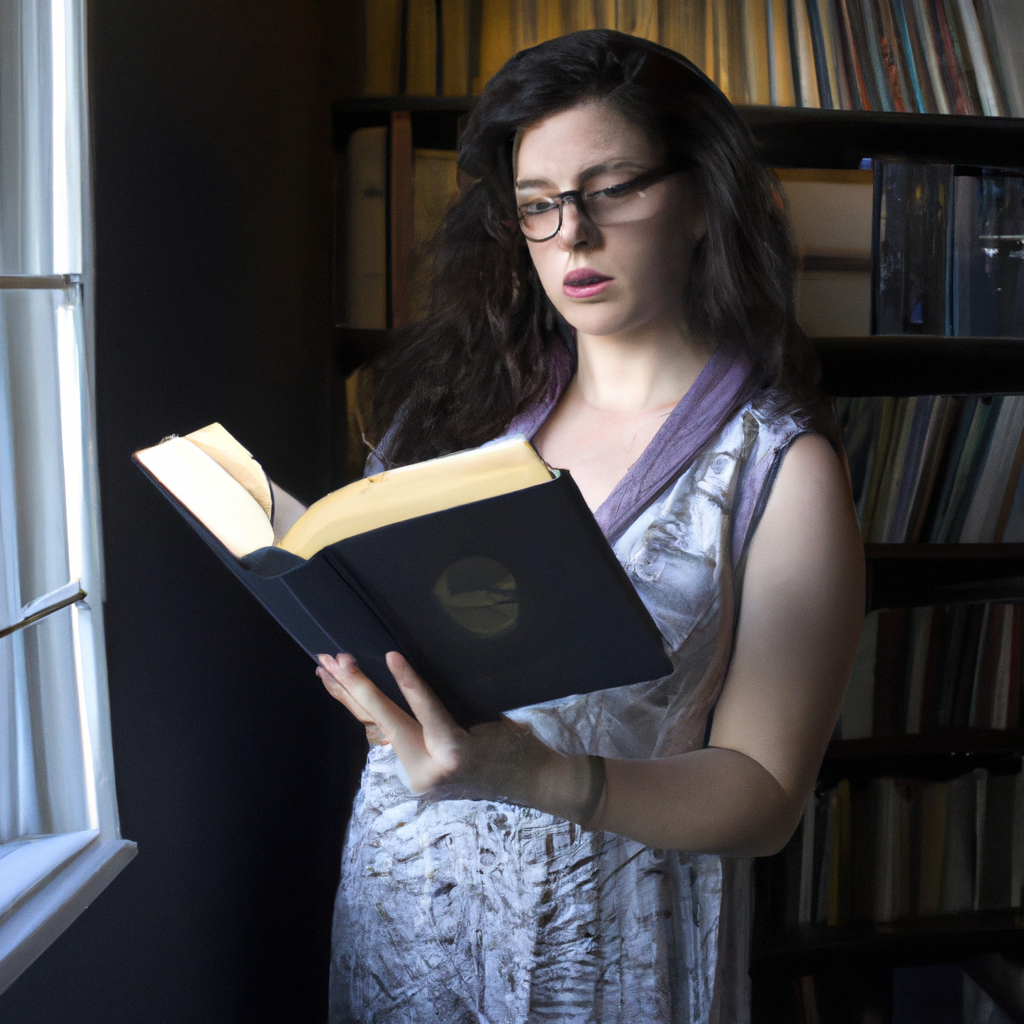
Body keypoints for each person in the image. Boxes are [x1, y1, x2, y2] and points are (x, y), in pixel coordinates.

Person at [315, 29, 864, 1024]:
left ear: (700, 199)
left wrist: (543, 774)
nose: (572, 234)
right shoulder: (443, 416)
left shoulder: (778, 471)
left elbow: (766, 796)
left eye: (612, 189)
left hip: (608, 956)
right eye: (538, 205)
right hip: (403, 923)